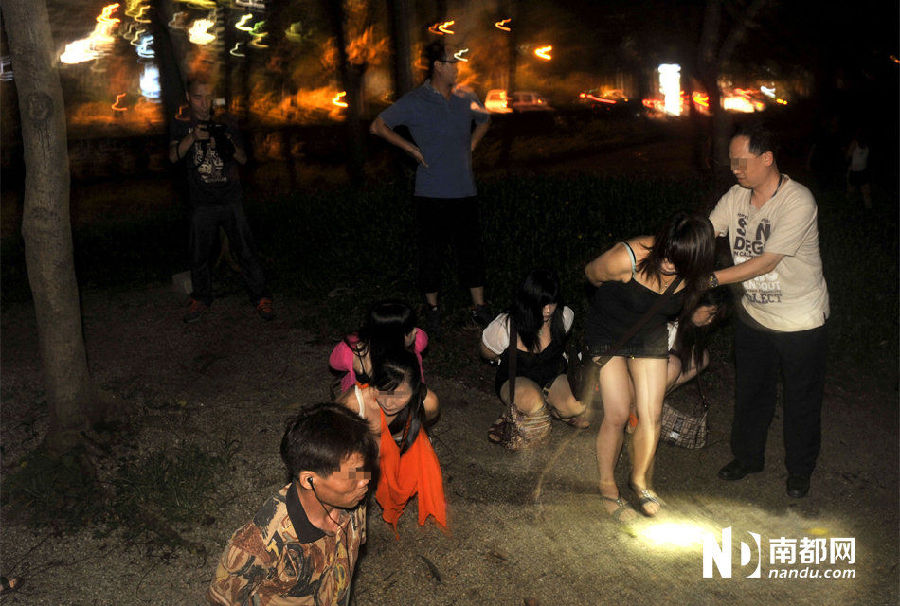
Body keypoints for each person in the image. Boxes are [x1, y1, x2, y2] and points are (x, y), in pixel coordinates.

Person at [709, 122, 829, 499]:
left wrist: (709, 280)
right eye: (731, 161)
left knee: (801, 400)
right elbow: (707, 232)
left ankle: (800, 470)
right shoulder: (735, 197)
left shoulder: (798, 201)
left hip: (801, 320)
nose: (735, 169)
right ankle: (747, 458)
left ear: (767, 159)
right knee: (751, 392)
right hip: (755, 315)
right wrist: (673, 250)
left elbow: (766, 262)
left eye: (741, 161)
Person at [583, 212, 714, 520]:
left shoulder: (694, 273)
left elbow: (726, 279)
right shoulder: (627, 256)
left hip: (649, 332)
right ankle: (607, 486)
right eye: (666, 252)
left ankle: (640, 481)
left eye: (678, 259)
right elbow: (592, 274)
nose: (668, 262)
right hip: (609, 332)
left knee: (651, 415)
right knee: (617, 413)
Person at [369, 41, 492, 335]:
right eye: (453, 62)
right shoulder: (415, 101)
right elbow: (377, 126)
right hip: (431, 193)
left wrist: (472, 144)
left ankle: (479, 308)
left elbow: (485, 120)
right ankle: (432, 309)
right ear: (438, 66)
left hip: (465, 191)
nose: (458, 68)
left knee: (471, 252)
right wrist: (411, 149)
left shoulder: (466, 96)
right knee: (431, 254)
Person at [207, 402, 377, 605]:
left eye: (363, 469)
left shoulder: (354, 502)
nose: (365, 480)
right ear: (309, 480)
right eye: (352, 475)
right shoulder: (259, 544)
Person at [169, 78, 274, 323]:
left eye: (208, 97)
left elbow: (244, 159)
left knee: (246, 251)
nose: (203, 103)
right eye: (198, 97)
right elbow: (173, 156)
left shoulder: (226, 122)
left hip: (230, 199)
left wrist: (227, 144)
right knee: (199, 255)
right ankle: (201, 298)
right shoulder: (181, 124)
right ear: (188, 97)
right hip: (201, 202)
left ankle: (261, 297)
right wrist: (193, 137)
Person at [337, 350, 444, 533]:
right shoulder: (352, 404)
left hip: (398, 450)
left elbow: (427, 418)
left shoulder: (428, 402)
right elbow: (331, 451)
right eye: (384, 391)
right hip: (364, 456)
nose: (389, 402)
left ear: (415, 390)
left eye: (400, 395)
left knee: (415, 462)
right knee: (347, 480)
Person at [480, 269, 589, 450]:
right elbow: (486, 352)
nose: (548, 310)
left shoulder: (564, 316)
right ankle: (518, 412)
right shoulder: (506, 325)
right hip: (515, 379)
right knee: (535, 410)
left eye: (552, 303)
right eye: (542, 304)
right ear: (528, 301)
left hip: (551, 375)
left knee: (576, 406)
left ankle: (545, 409)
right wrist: (500, 358)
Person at [329, 300, 428, 395]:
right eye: (410, 329)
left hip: (400, 399)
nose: (416, 331)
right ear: (395, 336)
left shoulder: (350, 350)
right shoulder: (349, 350)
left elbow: (335, 363)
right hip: (366, 403)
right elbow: (334, 363)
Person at [845, 128, 872, 209]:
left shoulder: (855, 143)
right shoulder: (862, 144)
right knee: (862, 192)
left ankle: (850, 206)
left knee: (856, 191)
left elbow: (848, 156)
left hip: (859, 171)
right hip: (859, 170)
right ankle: (851, 207)